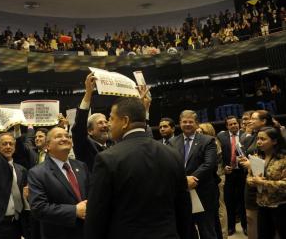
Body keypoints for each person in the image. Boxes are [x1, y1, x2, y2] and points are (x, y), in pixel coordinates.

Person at [85, 97, 191, 239]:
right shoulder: (173, 154)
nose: (109, 124)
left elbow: (96, 216)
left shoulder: (107, 159)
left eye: (111, 119)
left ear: (125, 121)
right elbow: (183, 209)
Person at [28, 127, 90, 239]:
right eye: (58, 136)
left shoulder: (81, 166)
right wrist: (74, 211)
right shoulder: (37, 173)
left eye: (67, 136)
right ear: (47, 146)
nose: (65, 139)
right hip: (58, 233)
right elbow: (39, 208)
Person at [170, 110, 218, 239]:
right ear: (180, 123)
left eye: (190, 122)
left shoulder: (207, 140)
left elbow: (209, 164)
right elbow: (170, 164)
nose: (187, 124)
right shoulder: (173, 142)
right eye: (184, 121)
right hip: (182, 191)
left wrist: (192, 178)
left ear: (197, 124)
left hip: (203, 191)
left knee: (206, 229)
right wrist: (183, 181)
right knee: (186, 229)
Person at [239, 110, 275, 239]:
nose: (249, 121)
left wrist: (251, 165)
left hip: (268, 182)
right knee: (250, 218)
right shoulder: (253, 135)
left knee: (270, 222)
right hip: (252, 181)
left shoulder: (275, 134)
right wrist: (248, 164)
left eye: (253, 119)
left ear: (264, 121)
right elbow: (248, 152)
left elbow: (277, 162)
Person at [246, 127, 286, 239]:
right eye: (258, 138)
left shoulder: (283, 159)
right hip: (262, 204)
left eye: (263, 139)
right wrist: (253, 181)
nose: (258, 142)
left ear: (274, 141)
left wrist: (264, 183)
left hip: (280, 206)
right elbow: (249, 178)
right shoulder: (256, 157)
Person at [71, 73, 111, 171]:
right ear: (90, 131)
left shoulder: (114, 144)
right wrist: (88, 92)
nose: (105, 125)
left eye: (106, 122)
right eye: (100, 123)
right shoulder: (84, 146)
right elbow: (79, 126)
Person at [217, 116, 247, 236]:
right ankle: (231, 227)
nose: (234, 126)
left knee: (243, 200)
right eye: (231, 124)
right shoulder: (221, 137)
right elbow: (219, 156)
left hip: (243, 172)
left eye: (235, 123)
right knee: (229, 201)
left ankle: (245, 226)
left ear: (238, 124)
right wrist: (223, 167)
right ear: (227, 126)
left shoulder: (245, 135)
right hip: (228, 173)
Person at [198, 123, 227, 239]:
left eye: (202, 132)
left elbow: (210, 163)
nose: (199, 134)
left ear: (208, 132)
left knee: (220, 207)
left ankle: (223, 234)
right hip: (209, 179)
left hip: (218, 177)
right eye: (198, 132)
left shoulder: (213, 143)